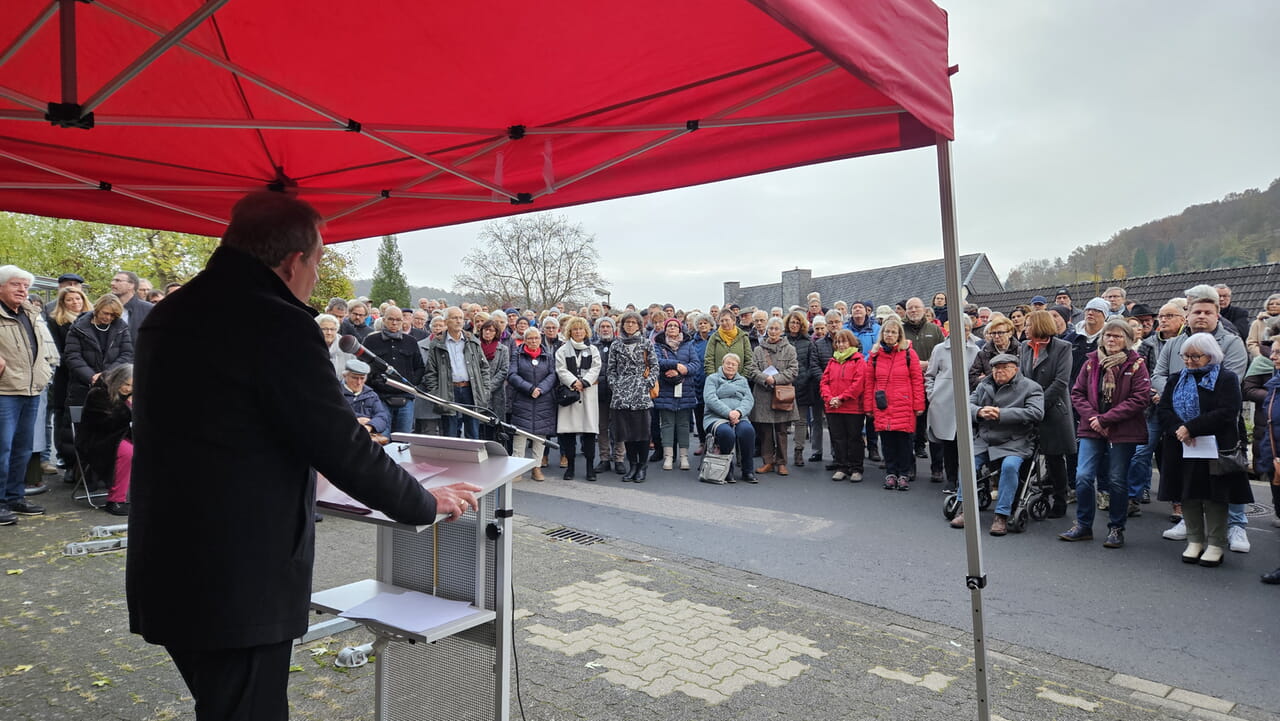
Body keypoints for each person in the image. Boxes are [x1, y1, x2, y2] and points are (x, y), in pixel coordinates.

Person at [126, 191, 478, 721]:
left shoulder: (173, 311)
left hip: (170, 557)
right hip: (237, 573)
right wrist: (422, 503)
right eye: (317, 262)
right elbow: (339, 443)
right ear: (294, 261)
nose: (315, 280)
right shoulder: (274, 322)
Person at [1156, 333, 1252, 567]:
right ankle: (1195, 540)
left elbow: (1227, 412)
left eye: (1195, 357)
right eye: (1185, 356)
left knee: (1214, 497)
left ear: (1211, 356)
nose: (1188, 361)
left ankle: (1216, 543)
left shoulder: (1226, 379)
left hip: (1215, 447)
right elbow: (1164, 409)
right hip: (1182, 447)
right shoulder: (1177, 378)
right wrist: (1179, 428)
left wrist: (1191, 428)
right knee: (1187, 494)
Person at [1058, 320, 1151, 547]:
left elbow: (1140, 398)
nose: (1112, 340)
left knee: (1117, 480)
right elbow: (1077, 393)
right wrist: (1094, 418)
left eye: (1118, 336)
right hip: (1092, 428)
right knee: (1083, 476)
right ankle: (1083, 525)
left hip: (1123, 430)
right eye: (1108, 335)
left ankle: (1116, 528)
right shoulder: (1091, 363)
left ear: (1128, 340)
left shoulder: (1137, 364)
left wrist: (1106, 419)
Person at [950, 354, 1045, 535]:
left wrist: (1002, 414)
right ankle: (965, 508)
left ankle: (1001, 514)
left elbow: (1036, 413)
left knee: (1009, 466)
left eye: (1004, 368)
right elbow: (965, 404)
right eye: (995, 368)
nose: (998, 372)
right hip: (986, 439)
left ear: (1015, 369)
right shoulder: (984, 385)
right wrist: (979, 411)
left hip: (1016, 440)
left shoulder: (1031, 388)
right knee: (967, 461)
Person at [0, 265, 54, 525]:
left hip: (31, 390)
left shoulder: (30, 312)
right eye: (15, 284)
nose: (22, 290)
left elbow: (44, 346)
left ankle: (14, 497)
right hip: (4, 390)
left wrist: (44, 371)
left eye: (25, 286)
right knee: (3, 448)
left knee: (22, 449)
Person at [1018, 310, 1074, 518]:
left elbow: (1060, 382)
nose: (1025, 328)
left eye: (1028, 324)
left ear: (1039, 325)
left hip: (1053, 409)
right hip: (1029, 408)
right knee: (1023, 454)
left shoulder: (1063, 347)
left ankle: (1060, 500)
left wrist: (1038, 405)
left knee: (1054, 457)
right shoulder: (1024, 347)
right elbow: (1021, 378)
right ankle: (1021, 496)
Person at [867, 316, 924, 491]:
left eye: (893, 332)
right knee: (887, 442)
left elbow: (917, 380)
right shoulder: (875, 355)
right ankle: (891, 473)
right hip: (882, 404)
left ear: (899, 335)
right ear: (882, 334)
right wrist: (869, 407)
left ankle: (904, 474)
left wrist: (918, 405)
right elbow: (869, 383)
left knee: (905, 442)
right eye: (887, 332)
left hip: (903, 404)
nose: (889, 335)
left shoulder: (909, 354)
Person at [925, 316, 979, 492]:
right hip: (944, 401)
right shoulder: (939, 349)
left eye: (966, 329)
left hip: (967, 402)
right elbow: (930, 375)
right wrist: (932, 394)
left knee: (965, 443)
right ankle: (951, 479)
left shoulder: (976, 350)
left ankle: (965, 482)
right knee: (948, 442)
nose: (963, 332)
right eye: (959, 328)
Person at [422, 306, 490, 439]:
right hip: (448, 390)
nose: (459, 321)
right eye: (454, 318)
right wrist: (437, 394)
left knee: (473, 432)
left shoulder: (472, 341)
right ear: (446, 321)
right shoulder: (437, 343)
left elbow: (484, 368)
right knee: (450, 432)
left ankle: (471, 458)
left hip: (470, 390)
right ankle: (451, 459)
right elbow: (431, 372)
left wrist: (485, 390)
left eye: (461, 318)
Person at [608, 311, 659, 482]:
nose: (629, 325)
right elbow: (611, 370)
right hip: (622, 394)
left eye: (633, 322)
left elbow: (654, 366)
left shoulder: (646, 343)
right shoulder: (616, 344)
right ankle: (633, 466)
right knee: (627, 434)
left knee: (642, 433)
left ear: (639, 325)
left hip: (641, 392)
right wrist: (615, 386)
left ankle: (642, 466)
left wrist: (647, 384)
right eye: (626, 322)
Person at [78, 364, 135, 516]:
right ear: (117, 380)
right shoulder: (98, 394)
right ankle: (115, 500)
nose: (128, 389)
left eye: (132, 386)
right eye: (126, 384)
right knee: (128, 452)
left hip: (122, 435)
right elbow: (108, 423)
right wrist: (128, 406)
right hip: (98, 439)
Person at [64, 294, 134, 410]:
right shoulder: (79, 327)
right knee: (78, 422)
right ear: (97, 309)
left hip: (113, 386)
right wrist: (91, 376)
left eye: (113, 315)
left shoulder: (121, 327)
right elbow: (72, 356)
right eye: (105, 313)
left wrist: (107, 375)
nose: (108, 318)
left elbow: (127, 354)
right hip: (83, 384)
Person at [46, 286, 88, 477]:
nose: (75, 303)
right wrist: (76, 362)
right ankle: (67, 458)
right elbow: (56, 350)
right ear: (63, 303)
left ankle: (84, 463)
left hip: (87, 377)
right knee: (63, 416)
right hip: (65, 376)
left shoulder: (91, 319)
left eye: (78, 299)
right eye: (70, 300)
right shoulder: (55, 321)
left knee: (85, 416)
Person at [363, 306, 425, 434]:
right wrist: (375, 381)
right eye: (391, 319)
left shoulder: (411, 341)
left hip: (406, 397)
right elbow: (363, 367)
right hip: (379, 398)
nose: (394, 323)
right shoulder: (371, 341)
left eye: (398, 320)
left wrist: (410, 383)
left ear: (403, 321)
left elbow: (419, 367)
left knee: (404, 440)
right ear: (384, 320)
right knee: (382, 437)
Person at [750, 317, 799, 477]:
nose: (773, 332)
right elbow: (752, 370)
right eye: (771, 329)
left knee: (781, 431)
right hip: (763, 394)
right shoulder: (758, 350)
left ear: (781, 331)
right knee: (765, 432)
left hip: (782, 395)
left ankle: (782, 462)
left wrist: (775, 379)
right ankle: (768, 462)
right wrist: (766, 379)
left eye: (776, 329)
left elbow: (793, 371)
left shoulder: (789, 349)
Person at [554, 316, 602, 481]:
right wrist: (574, 382)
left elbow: (596, 367)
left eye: (581, 329)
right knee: (569, 434)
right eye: (575, 329)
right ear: (570, 331)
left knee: (589, 433)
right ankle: (571, 468)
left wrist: (584, 382)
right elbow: (560, 369)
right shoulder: (562, 350)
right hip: (570, 393)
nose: (578, 332)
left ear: (586, 331)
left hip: (588, 393)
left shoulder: (593, 349)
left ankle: (590, 468)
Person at [820, 330, 871, 482]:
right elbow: (824, 382)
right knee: (838, 438)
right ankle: (841, 466)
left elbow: (858, 384)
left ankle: (856, 468)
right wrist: (830, 398)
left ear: (851, 343)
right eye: (838, 342)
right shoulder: (832, 361)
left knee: (854, 438)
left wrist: (841, 398)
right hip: (833, 407)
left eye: (844, 341)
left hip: (852, 407)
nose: (841, 345)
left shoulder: (859, 360)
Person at [507, 327, 556, 481]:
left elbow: (553, 375)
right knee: (520, 435)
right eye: (530, 338)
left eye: (536, 338)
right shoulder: (517, 355)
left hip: (543, 400)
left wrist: (540, 389)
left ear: (540, 339)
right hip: (523, 399)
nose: (533, 341)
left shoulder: (547, 356)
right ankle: (517, 470)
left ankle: (536, 468)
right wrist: (529, 389)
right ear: (525, 339)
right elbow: (512, 375)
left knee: (540, 437)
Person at [651, 317, 699, 471]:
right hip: (666, 389)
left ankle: (684, 457)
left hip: (685, 389)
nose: (672, 328)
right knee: (667, 424)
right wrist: (675, 365)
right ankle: (668, 457)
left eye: (675, 326)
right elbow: (657, 362)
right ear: (665, 329)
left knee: (684, 425)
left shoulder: (688, 345)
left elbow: (696, 364)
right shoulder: (658, 345)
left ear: (680, 329)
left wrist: (683, 369)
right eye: (669, 326)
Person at [1250, 342, 1280, 583]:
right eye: (1274, 353)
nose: (1274, 357)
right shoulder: (1274, 384)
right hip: (1275, 457)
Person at [702, 353, 756, 484]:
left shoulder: (742, 380)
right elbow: (710, 399)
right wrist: (728, 413)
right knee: (727, 433)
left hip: (739, 417)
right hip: (716, 417)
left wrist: (738, 412)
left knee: (747, 431)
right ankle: (727, 469)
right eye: (728, 363)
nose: (730, 366)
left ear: (738, 367)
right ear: (722, 364)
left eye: (734, 364)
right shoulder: (712, 378)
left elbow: (749, 399)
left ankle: (747, 470)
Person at [783, 311, 817, 468]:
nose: (794, 325)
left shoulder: (808, 342)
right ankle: (781, 453)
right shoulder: (782, 340)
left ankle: (798, 451)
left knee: (801, 421)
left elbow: (812, 364)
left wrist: (803, 379)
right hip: (784, 385)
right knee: (782, 421)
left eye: (797, 322)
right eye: (792, 322)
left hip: (803, 386)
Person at [591, 316, 624, 474]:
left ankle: (619, 458)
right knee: (602, 427)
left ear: (613, 329)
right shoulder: (592, 347)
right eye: (602, 327)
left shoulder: (619, 345)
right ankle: (604, 458)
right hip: (599, 392)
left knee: (618, 427)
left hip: (617, 392)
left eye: (608, 327)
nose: (605, 329)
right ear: (598, 330)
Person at [339, 358, 390, 443]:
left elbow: (382, 417)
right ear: (345, 376)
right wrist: (356, 421)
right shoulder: (336, 393)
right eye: (355, 378)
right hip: (343, 439)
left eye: (362, 378)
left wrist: (369, 426)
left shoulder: (372, 395)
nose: (359, 382)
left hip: (366, 440)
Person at [476, 320, 510, 443]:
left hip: (496, 393)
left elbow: (504, 370)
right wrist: (481, 387)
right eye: (485, 329)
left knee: (495, 425)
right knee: (479, 425)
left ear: (496, 333)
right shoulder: (475, 347)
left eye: (491, 330)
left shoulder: (503, 349)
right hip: (477, 391)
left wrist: (488, 387)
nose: (488, 332)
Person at [704, 308, 756, 380]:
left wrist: (742, 378)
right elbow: (709, 360)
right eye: (722, 321)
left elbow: (749, 360)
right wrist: (714, 378)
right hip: (718, 381)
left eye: (727, 320)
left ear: (734, 321)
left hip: (739, 381)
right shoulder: (714, 337)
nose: (724, 323)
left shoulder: (743, 337)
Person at [970, 315, 1020, 389]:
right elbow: (972, 379)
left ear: (1010, 333)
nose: (996, 336)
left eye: (1000, 333)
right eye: (993, 333)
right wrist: (990, 380)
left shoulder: (1020, 351)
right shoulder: (983, 354)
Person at [109, 270, 153, 343]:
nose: (112, 283)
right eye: (113, 280)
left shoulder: (148, 309)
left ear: (131, 285)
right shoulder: (104, 307)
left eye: (118, 281)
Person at [316, 313, 352, 377]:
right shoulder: (311, 344)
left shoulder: (346, 345)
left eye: (332, 329)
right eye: (324, 329)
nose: (329, 333)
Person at [1247, 293, 1280, 357]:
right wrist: (1260, 356)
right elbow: (1251, 343)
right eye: (1271, 304)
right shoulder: (1257, 323)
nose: (1274, 306)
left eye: (1278, 304)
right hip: (1262, 359)